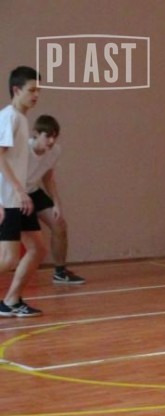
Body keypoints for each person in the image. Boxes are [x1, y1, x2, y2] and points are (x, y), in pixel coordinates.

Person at [0, 66, 45, 317]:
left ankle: (12, 300)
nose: (36, 95)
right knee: (8, 259)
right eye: (32, 90)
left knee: (37, 248)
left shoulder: (22, 119)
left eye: (39, 90)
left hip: (18, 198)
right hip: (8, 199)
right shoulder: (9, 118)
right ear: (16, 90)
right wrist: (18, 191)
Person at [26, 115, 85, 284]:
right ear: (36, 133)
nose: (51, 141)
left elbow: (48, 177)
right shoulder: (23, 150)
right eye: (47, 136)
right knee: (14, 251)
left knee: (59, 225)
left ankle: (60, 272)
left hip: (33, 191)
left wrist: (57, 203)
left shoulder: (55, 151)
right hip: (12, 194)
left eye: (55, 136)